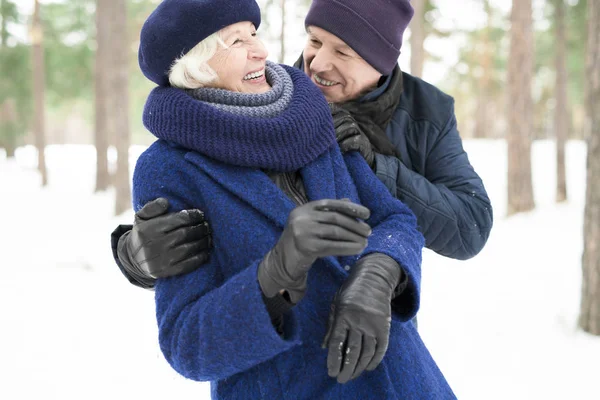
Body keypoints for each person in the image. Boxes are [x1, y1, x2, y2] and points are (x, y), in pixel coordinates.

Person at [126, 0, 456, 398]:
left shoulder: (311, 116)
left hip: (403, 382)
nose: (261, 50)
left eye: (254, 33)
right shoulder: (169, 168)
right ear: (195, 67)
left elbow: (394, 220)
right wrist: (274, 274)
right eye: (236, 41)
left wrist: (380, 272)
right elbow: (187, 345)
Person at [111, 0, 493, 290]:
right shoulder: (275, 96)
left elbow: (469, 227)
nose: (318, 64)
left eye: (343, 52)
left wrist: (378, 167)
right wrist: (135, 255)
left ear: (382, 64)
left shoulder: (428, 113)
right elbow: (199, 167)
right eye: (314, 40)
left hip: (373, 320)